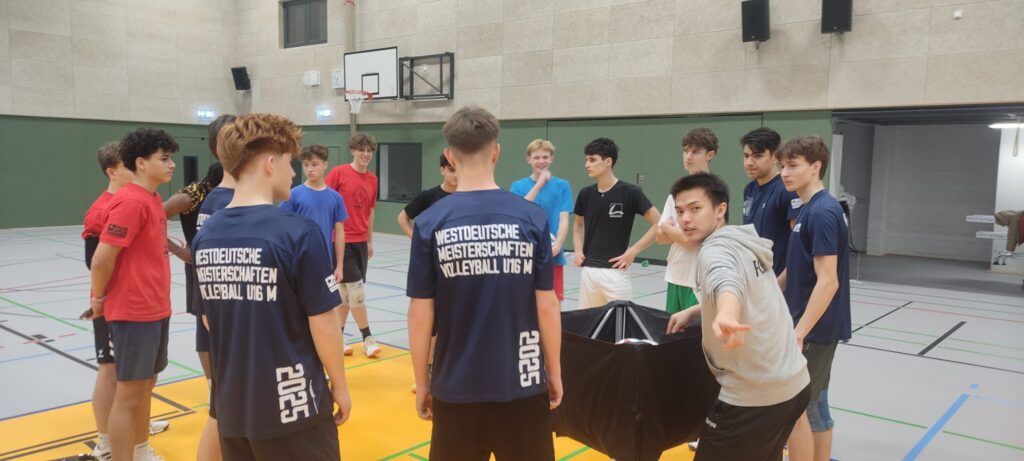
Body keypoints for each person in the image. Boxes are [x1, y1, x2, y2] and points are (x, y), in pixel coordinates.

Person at [193, 113, 352, 461]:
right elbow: (324, 322)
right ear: (270, 163)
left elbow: (208, 320)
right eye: (289, 162)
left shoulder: (206, 235)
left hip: (232, 408)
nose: (293, 173)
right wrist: (340, 386)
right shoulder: (298, 232)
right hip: (294, 406)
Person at [407, 106, 562, 460]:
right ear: (496, 151)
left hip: (454, 386)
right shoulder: (532, 217)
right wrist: (554, 372)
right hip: (523, 383)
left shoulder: (429, 222)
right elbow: (547, 305)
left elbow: (420, 313)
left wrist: (422, 380)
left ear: (449, 155)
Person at [665, 173, 810, 461]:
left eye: (695, 209)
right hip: (795, 385)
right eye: (680, 211)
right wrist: (697, 310)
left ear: (720, 209)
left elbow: (727, 283)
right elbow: (745, 288)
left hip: (754, 397)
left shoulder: (715, 252)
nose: (685, 219)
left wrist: (726, 314)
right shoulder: (743, 242)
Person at [89, 128, 178, 461]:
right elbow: (101, 259)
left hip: (156, 309)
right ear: (141, 163)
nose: (172, 165)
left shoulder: (151, 199)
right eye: (164, 159)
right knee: (128, 395)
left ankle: (140, 452)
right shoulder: (130, 202)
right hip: (133, 312)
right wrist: (99, 298)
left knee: (144, 388)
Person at [775, 135, 851, 461]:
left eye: (793, 165)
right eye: (782, 166)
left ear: (815, 166)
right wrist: (769, 290)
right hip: (806, 324)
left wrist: (800, 331)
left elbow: (828, 281)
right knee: (812, 405)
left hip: (816, 329)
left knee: (803, 409)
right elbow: (797, 266)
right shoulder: (807, 209)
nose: (785, 173)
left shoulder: (822, 212)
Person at [189, 113, 238, 461]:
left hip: (228, 311)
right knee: (221, 408)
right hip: (226, 311)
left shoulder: (226, 197)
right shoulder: (218, 199)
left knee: (224, 408)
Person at [572, 137, 660, 309]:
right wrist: (577, 250)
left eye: (592, 160)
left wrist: (634, 251)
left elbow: (659, 223)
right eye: (586, 160)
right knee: (589, 323)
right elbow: (578, 225)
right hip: (588, 272)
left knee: (621, 322)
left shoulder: (631, 192)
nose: (587, 164)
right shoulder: (585, 194)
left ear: (608, 162)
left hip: (616, 274)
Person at [326, 133, 381, 357]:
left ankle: (336, 338)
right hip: (340, 241)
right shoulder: (339, 173)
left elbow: (370, 212)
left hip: (360, 242)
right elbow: (326, 201)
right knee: (356, 291)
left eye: (369, 151)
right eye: (361, 150)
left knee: (346, 295)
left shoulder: (372, 179)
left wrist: (369, 240)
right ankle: (367, 337)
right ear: (353, 151)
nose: (365, 154)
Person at [657, 127, 718, 314]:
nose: (688, 156)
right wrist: (673, 232)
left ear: (710, 155)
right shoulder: (677, 192)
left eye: (695, 152)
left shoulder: (713, 192)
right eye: (686, 151)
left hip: (697, 281)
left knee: (694, 331)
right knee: (671, 330)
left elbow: (691, 239)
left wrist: (668, 228)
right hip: (675, 276)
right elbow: (659, 237)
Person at [510, 139, 573, 302]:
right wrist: (539, 184)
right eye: (536, 157)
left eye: (545, 157)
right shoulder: (517, 186)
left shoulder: (563, 185)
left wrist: (558, 244)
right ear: (528, 159)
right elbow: (520, 211)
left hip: (553, 255)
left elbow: (564, 219)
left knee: (553, 303)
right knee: (525, 302)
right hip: (525, 253)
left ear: (551, 159)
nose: (541, 161)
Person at [279, 144, 349, 286]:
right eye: (306, 165)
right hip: (299, 263)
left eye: (314, 164)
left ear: (325, 164)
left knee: (331, 299)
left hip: (326, 264)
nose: (310, 169)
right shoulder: (293, 195)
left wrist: (339, 266)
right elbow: (281, 227)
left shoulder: (335, 197)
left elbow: (339, 233)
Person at [741, 127, 801, 275]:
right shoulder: (749, 189)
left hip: (778, 279)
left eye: (757, 156)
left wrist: (782, 282)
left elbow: (800, 244)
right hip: (755, 277)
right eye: (746, 156)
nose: (749, 162)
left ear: (775, 157)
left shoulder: (787, 190)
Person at [398, 154, 457, 237]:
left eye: (460, 170)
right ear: (442, 170)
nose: (456, 175)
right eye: (451, 170)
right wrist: (416, 240)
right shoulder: (429, 196)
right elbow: (402, 218)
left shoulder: (469, 196)